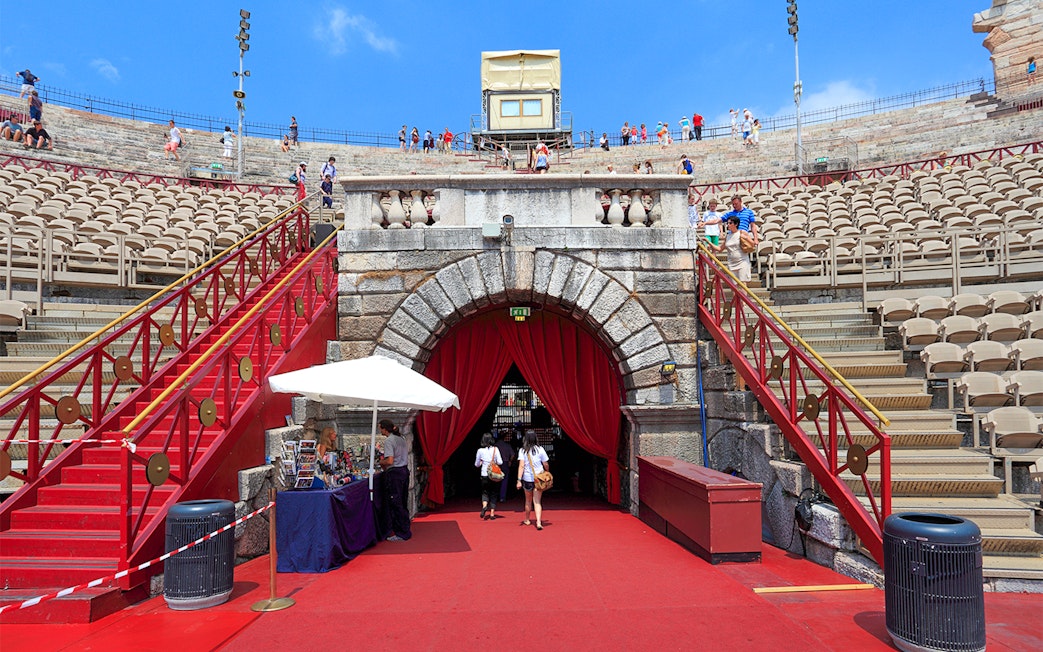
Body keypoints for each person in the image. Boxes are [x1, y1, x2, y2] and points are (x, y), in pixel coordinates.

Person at [378, 419, 412, 541]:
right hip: (403, 471)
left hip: (395, 473)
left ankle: (401, 532)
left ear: (384, 428)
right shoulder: (401, 439)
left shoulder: (389, 441)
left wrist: (380, 461)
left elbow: (390, 461)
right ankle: (404, 528)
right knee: (402, 501)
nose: (379, 430)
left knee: (396, 503)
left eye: (380, 428)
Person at [516, 430, 549, 530]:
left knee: (528, 500)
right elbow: (545, 464)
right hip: (538, 479)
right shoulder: (540, 449)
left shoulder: (522, 451)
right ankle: (538, 522)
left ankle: (527, 519)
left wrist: (518, 480)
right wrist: (547, 472)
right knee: (537, 501)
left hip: (527, 479)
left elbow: (521, 466)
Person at [705, 216, 751, 283]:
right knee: (734, 286)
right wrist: (709, 242)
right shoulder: (728, 236)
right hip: (732, 263)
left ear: (736, 224)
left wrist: (746, 238)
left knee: (743, 284)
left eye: (730, 223)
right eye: (727, 223)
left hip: (742, 261)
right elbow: (720, 249)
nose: (728, 225)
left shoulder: (742, 232)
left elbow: (752, 243)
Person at [475, 433, 503, 520]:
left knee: (485, 492)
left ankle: (484, 506)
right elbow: (500, 462)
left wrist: (482, 462)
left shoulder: (480, 451)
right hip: (494, 474)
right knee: (494, 493)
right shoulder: (495, 449)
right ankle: (492, 513)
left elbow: (476, 464)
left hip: (484, 474)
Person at [494, 430, 515, 503]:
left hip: (497, 464)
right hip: (505, 463)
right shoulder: (507, 445)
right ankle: (502, 497)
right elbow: (512, 455)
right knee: (504, 480)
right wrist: (510, 461)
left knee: (495, 479)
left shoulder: (495, 445)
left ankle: (494, 496)